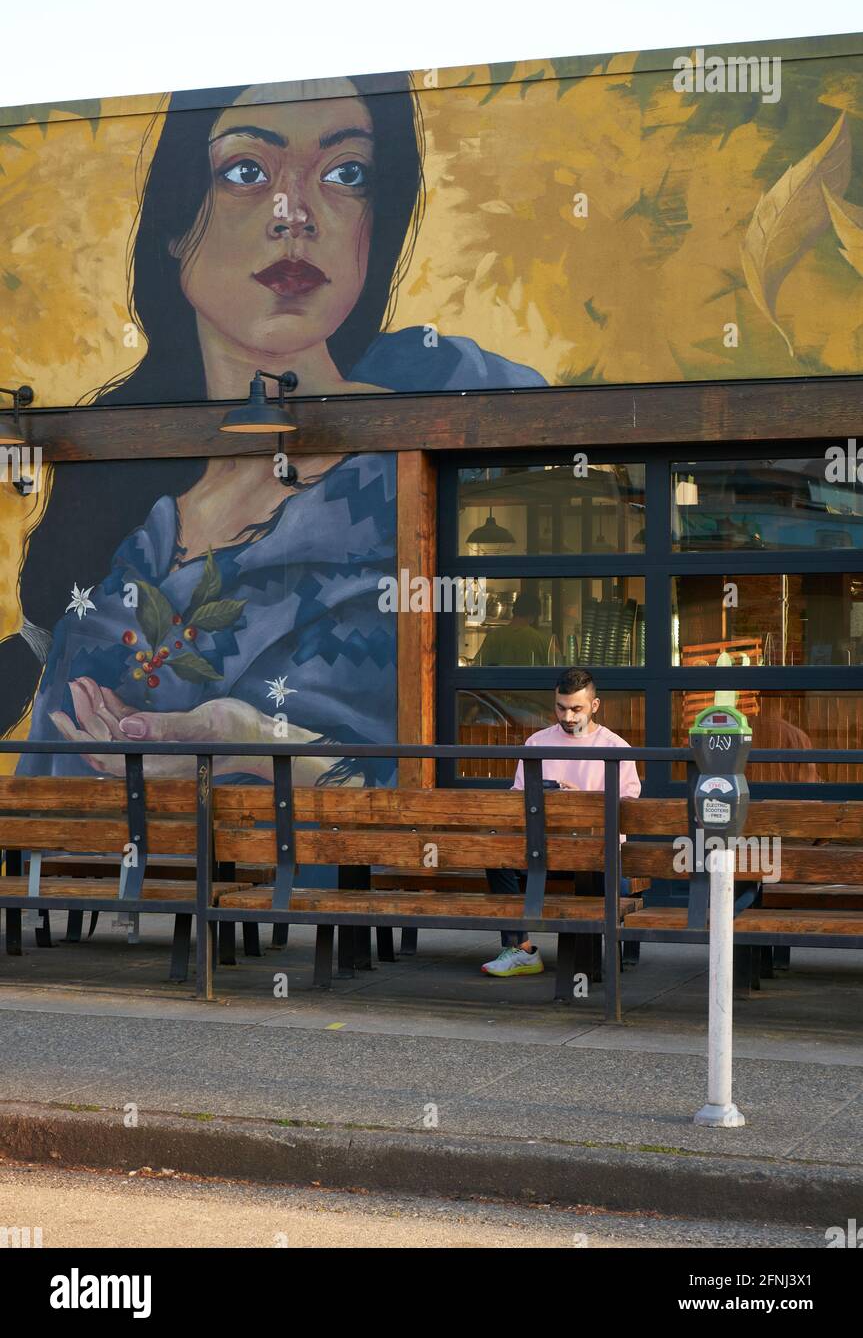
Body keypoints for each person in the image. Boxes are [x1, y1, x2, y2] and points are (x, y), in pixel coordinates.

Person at [9, 74, 545, 783]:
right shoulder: (121, 493)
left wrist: (250, 745)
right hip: (81, 876)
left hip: (322, 883)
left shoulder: (444, 421)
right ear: (175, 221)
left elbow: (417, 780)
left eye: (346, 174)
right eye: (245, 172)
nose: (295, 214)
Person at [482, 666, 641, 976]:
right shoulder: (537, 744)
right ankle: (520, 949)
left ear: (594, 706)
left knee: (594, 866)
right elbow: (516, 801)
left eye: (576, 709)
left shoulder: (615, 748)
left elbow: (628, 813)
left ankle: (588, 959)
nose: (568, 717)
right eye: (561, 707)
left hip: (598, 857)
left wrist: (580, 802)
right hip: (545, 851)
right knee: (497, 855)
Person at [475, 592, 549, 666]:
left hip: (499, 677)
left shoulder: (494, 636)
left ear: (514, 610)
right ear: (534, 614)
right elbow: (556, 667)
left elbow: (478, 665)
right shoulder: (541, 640)